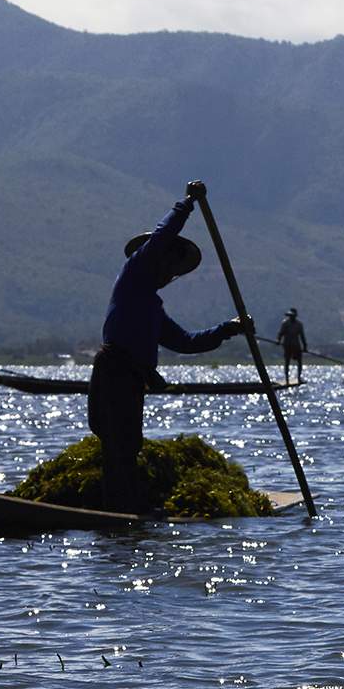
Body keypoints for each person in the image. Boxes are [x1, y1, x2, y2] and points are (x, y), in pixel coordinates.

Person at [89, 182, 247, 512]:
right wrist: (187, 204)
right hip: (114, 372)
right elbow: (162, 236)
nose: (169, 274)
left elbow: (187, 343)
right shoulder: (133, 276)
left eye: (174, 271)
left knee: (128, 446)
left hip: (132, 380)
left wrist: (228, 329)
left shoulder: (152, 308)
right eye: (167, 265)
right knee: (118, 446)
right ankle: (117, 512)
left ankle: (126, 510)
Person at [275, 307, 308, 383]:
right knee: (287, 362)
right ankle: (287, 379)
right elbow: (281, 333)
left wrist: (305, 346)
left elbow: (302, 336)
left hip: (296, 345)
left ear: (295, 316)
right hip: (287, 345)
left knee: (299, 362)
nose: (291, 317)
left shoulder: (299, 324)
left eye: (292, 315)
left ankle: (299, 377)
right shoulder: (285, 323)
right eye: (290, 316)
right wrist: (278, 340)